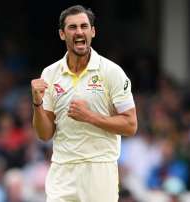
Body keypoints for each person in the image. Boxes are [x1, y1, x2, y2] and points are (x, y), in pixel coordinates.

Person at [31, 5, 137, 202]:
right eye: (72, 27)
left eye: (84, 26)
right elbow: (44, 134)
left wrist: (89, 116)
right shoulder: (50, 74)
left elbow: (130, 125)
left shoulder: (111, 72)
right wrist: (37, 104)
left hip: (99, 169)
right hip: (62, 169)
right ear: (62, 34)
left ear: (92, 31)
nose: (79, 32)